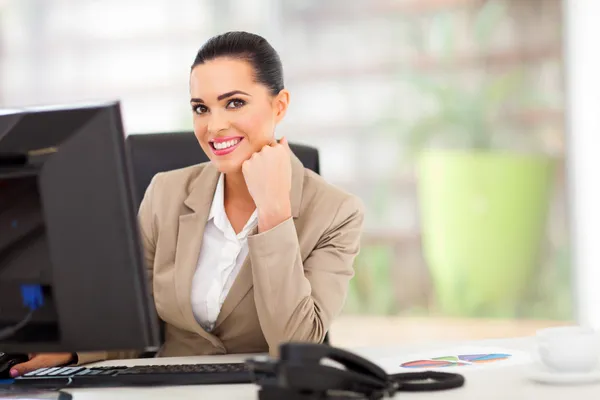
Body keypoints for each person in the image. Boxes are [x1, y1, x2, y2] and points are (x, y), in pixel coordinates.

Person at [10, 31, 364, 377]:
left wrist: (274, 212)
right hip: (169, 388)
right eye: (201, 108)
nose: (215, 126)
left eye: (234, 103)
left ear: (279, 105)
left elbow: (296, 346)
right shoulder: (165, 193)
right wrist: (74, 350)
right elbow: (135, 326)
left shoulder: (337, 213)